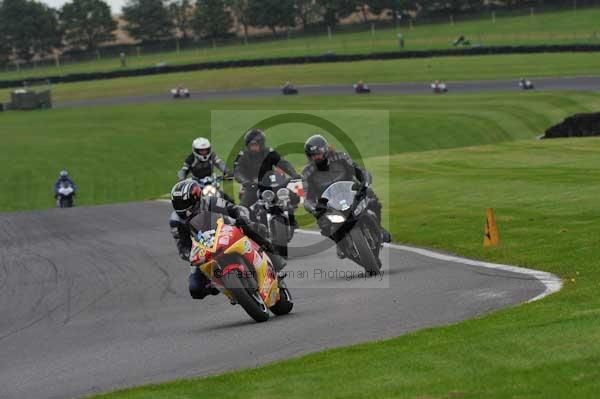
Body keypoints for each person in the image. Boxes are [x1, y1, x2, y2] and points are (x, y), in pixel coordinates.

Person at [169, 179, 287, 299]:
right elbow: (182, 247)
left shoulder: (210, 201)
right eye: (177, 204)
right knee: (195, 289)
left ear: (196, 197)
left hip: (226, 230)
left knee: (252, 228)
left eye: (184, 203)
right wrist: (192, 256)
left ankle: (276, 262)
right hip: (204, 248)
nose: (181, 208)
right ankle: (219, 285)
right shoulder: (176, 220)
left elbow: (234, 209)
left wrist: (243, 219)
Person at [301, 134, 391, 252]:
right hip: (329, 203)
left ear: (325, 150)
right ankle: (340, 243)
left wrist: (365, 180)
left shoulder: (341, 157)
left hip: (351, 192)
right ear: (309, 156)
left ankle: (378, 228)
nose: (317, 157)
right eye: (313, 155)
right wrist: (313, 207)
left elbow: (358, 170)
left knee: (372, 200)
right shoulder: (307, 173)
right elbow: (307, 196)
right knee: (324, 225)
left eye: (318, 154)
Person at [233, 129, 301, 208]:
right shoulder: (242, 156)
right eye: (251, 145)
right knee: (242, 209)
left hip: (271, 184)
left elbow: (282, 163)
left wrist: (293, 174)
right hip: (252, 187)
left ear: (261, 144)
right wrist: (246, 181)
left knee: (294, 198)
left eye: (255, 145)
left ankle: (289, 217)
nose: (253, 147)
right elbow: (237, 172)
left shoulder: (269, 152)